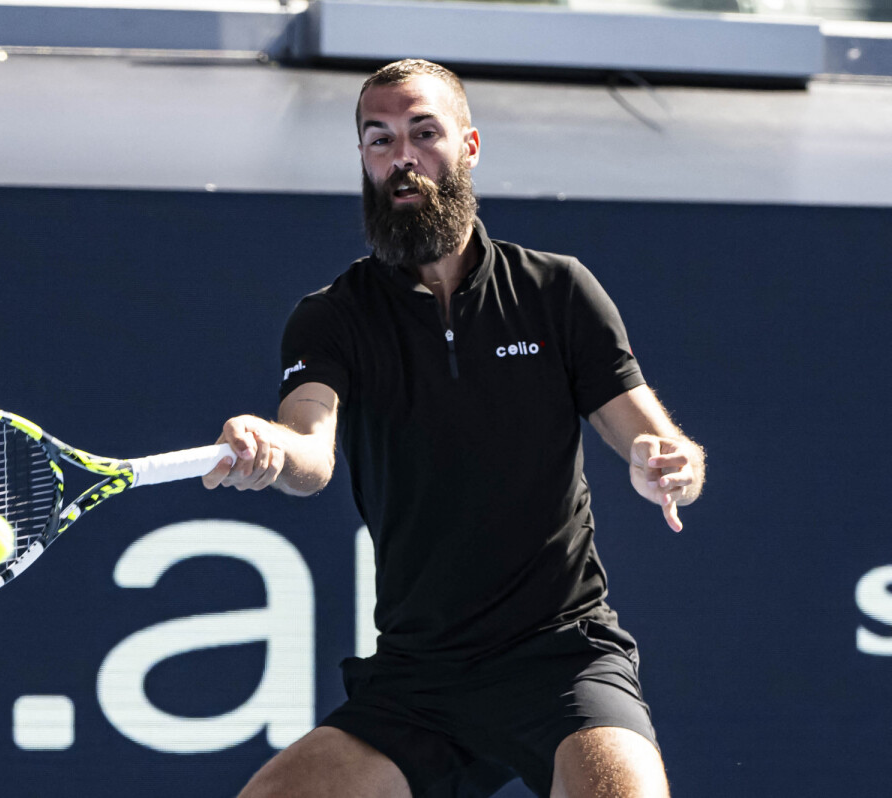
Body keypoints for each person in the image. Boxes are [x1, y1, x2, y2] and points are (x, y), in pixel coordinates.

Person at [202, 59, 705, 798]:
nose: (401, 157)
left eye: (423, 133)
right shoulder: (333, 317)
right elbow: (310, 443)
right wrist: (275, 451)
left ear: (469, 146)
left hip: (561, 657)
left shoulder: (557, 291)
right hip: (420, 678)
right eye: (379, 140)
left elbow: (649, 433)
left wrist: (669, 464)